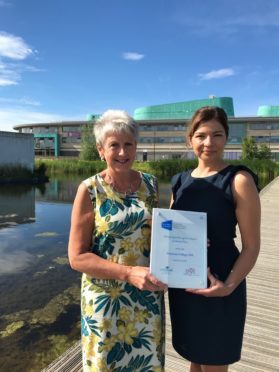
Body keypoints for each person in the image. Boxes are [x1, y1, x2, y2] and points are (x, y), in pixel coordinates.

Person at [68, 109, 166, 371]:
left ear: (136, 147)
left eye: (128, 144)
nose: (123, 152)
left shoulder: (151, 185)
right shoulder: (90, 190)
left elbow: (157, 234)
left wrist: (188, 242)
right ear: (101, 150)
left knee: (146, 364)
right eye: (114, 145)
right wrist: (128, 273)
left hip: (147, 297)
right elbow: (77, 258)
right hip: (105, 301)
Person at [168, 106, 261, 372]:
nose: (209, 143)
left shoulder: (238, 180)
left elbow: (252, 246)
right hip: (184, 283)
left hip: (221, 279)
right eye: (201, 135)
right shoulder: (179, 182)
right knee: (194, 356)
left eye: (217, 135)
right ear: (190, 140)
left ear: (226, 137)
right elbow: (172, 231)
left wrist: (229, 285)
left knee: (215, 360)